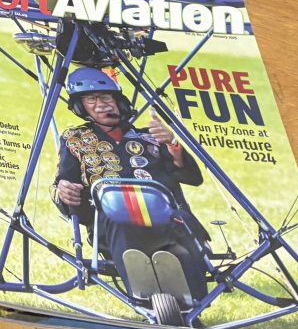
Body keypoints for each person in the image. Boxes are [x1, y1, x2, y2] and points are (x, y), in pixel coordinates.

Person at [52, 67, 209, 304]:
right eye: (91, 99)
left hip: (165, 217)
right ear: (81, 107)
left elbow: (193, 177)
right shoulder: (75, 140)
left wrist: (173, 144)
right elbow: (66, 185)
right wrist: (63, 190)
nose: (101, 104)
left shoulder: (150, 137)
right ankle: (145, 298)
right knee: (119, 216)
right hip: (111, 222)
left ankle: (192, 301)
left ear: (119, 102)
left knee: (181, 223)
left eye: (106, 97)